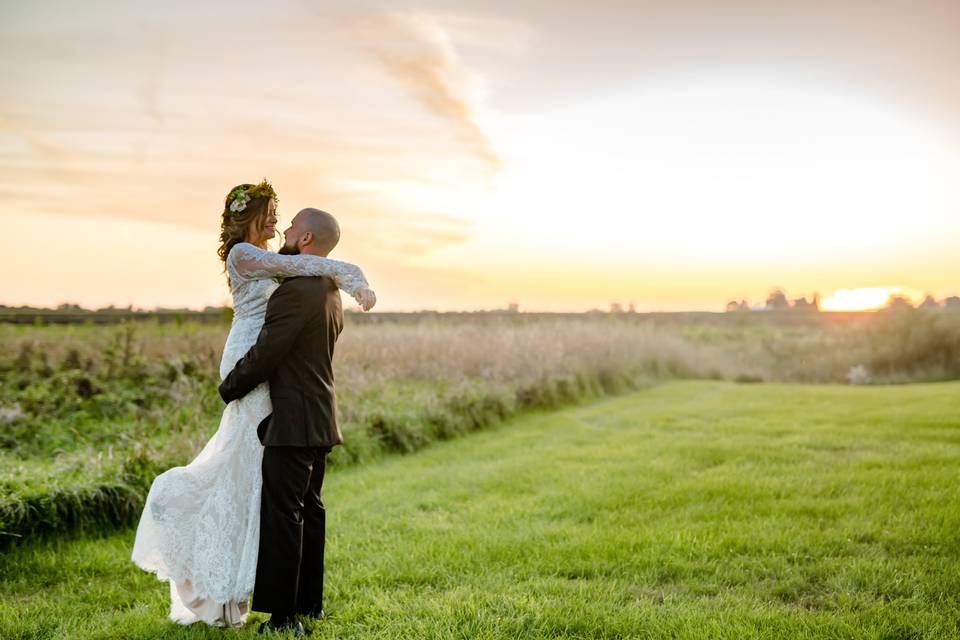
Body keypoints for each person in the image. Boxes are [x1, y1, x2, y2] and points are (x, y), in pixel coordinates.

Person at [131, 180, 376, 629]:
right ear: (252, 216)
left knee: (268, 490)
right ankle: (288, 602)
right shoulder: (254, 260)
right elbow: (300, 280)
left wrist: (351, 275)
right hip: (258, 366)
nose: (277, 224)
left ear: (304, 239)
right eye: (271, 215)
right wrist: (353, 276)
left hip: (273, 382)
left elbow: (285, 322)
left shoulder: (301, 278)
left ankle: (280, 605)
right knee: (269, 486)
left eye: (284, 221)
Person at [219, 207, 348, 635]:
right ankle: (310, 606)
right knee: (310, 510)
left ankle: (283, 617)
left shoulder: (295, 293)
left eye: (292, 226)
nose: (285, 232)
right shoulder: (329, 289)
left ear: (306, 239)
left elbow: (268, 351)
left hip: (291, 417)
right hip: (321, 415)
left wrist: (230, 386)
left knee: (283, 515)